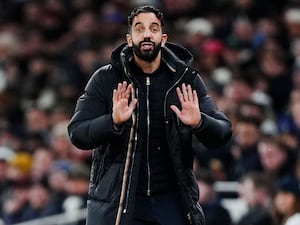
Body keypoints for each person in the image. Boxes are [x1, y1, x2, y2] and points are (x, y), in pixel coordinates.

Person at [68, 5, 232, 225]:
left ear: (163, 39)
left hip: (172, 203)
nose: (147, 34)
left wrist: (200, 122)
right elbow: (77, 133)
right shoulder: (105, 79)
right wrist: (112, 122)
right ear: (129, 39)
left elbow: (223, 133)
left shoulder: (186, 80)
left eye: (153, 29)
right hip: (120, 203)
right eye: (139, 28)